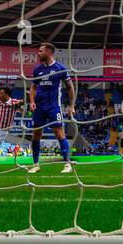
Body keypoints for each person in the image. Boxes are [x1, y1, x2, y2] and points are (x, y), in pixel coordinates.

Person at [27, 43, 75, 174]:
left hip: (54, 106)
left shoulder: (61, 68)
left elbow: (70, 87)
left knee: (59, 133)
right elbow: (33, 87)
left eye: (41, 51)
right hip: (39, 107)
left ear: (49, 52)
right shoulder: (37, 69)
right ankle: (36, 164)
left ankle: (67, 164)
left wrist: (71, 106)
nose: (38, 53)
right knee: (36, 135)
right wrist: (31, 101)